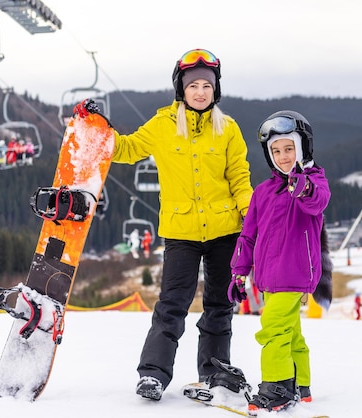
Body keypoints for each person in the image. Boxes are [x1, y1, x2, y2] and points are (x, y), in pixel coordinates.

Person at [74, 48, 253, 401]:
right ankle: (153, 375)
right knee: (172, 305)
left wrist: (251, 223)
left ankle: (215, 373)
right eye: (193, 85)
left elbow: (240, 179)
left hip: (225, 232)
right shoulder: (162, 126)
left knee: (219, 305)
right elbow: (125, 150)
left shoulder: (228, 129)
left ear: (215, 90)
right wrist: (96, 128)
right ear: (181, 89)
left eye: (207, 85)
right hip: (181, 233)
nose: (200, 91)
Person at [228, 110, 331, 414]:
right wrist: (238, 273)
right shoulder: (262, 191)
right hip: (269, 278)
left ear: (302, 148)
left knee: (272, 327)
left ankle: (277, 388)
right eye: (276, 151)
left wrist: (302, 186)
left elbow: (317, 201)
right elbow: (247, 236)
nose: (283, 156)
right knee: (290, 332)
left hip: (296, 273)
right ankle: (301, 386)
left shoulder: (314, 180)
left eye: (289, 148)